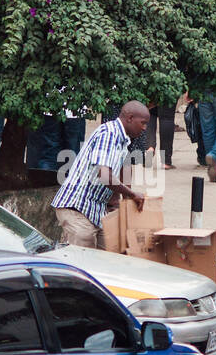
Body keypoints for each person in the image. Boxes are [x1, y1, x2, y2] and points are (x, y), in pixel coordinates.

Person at [50, 101, 148, 247]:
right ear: (130, 118)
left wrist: (126, 200)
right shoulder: (108, 134)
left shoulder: (123, 140)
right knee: (84, 257)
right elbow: (104, 175)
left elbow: (122, 170)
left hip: (96, 210)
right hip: (77, 207)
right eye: (143, 123)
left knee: (109, 253)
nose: (145, 128)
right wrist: (132, 194)